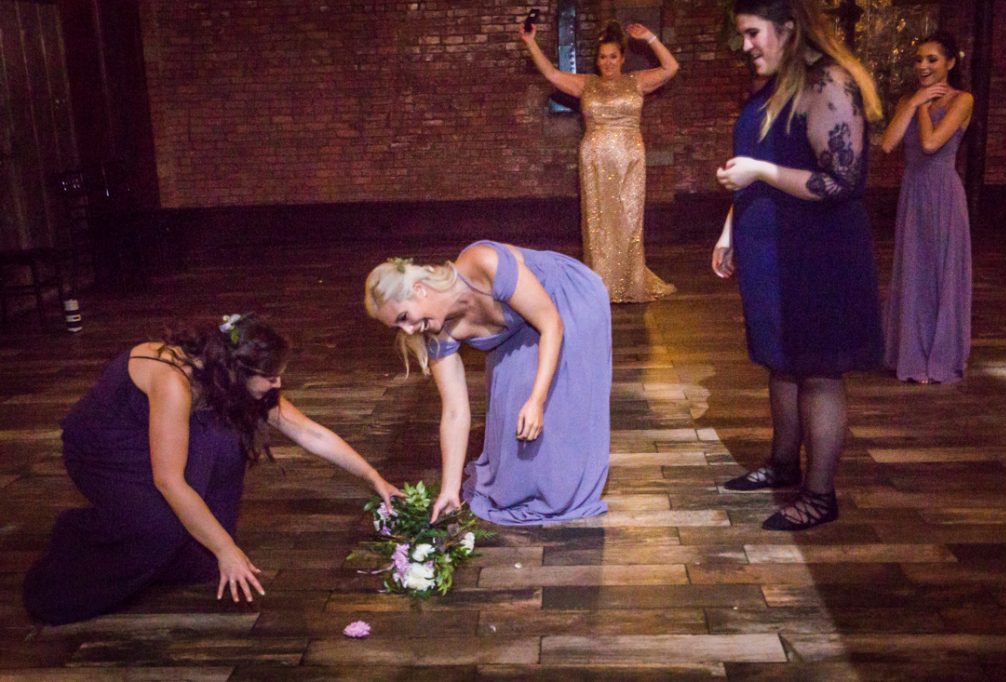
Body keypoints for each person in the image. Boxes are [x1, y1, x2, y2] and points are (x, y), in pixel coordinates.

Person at [23, 314, 401, 625]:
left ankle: (158, 542)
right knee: (161, 528)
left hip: (157, 435)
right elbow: (169, 481)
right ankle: (79, 541)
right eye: (271, 378)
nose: (278, 384)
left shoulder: (229, 373)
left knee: (201, 548)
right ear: (238, 371)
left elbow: (307, 431)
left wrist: (374, 478)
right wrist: (225, 548)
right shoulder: (174, 381)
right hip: (106, 449)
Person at [712, 0, 884, 530]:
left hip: (819, 253)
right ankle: (783, 463)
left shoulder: (828, 83)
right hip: (770, 247)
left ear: (788, 29)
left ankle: (819, 494)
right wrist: (730, 231)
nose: (746, 46)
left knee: (819, 372)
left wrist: (760, 172)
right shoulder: (776, 84)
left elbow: (842, 183)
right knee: (781, 362)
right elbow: (753, 167)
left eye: (753, 33)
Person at [365, 241, 610, 525]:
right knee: (513, 459)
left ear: (419, 289)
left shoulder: (482, 264)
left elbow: (551, 323)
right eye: (398, 326)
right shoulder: (438, 334)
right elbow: (455, 411)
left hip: (566, 298)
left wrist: (537, 400)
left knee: (551, 417)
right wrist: (449, 490)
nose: (408, 330)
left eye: (404, 317)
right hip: (518, 330)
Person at [520, 18, 678, 303]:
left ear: (622, 58)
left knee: (628, 220)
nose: (608, 62)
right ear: (597, 60)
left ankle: (629, 282)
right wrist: (530, 42)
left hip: (630, 157)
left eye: (613, 56)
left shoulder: (636, 81)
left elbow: (671, 68)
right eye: (603, 57)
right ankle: (601, 282)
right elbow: (551, 74)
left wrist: (650, 38)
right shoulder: (586, 84)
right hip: (595, 158)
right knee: (599, 222)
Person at [879, 31, 973, 384]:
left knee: (941, 272)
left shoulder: (963, 99)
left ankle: (939, 358)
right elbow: (888, 143)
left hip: (943, 193)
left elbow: (932, 143)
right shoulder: (910, 99)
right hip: (914, 191)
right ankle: (912, 355)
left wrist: (920, 105)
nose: (923, 66)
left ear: (950, 62)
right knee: (914, 271)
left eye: (932, 59)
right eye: (919, 59)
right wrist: (914, 102)